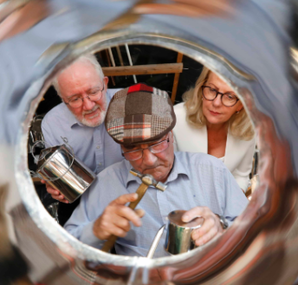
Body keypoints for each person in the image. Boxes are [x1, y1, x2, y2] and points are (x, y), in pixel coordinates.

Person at [65, 84, 249, 257]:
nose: (150, 160)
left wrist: (223, 228)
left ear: (171, 135)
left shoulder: (211, 170)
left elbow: (257, 232)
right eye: (133, 149)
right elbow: (63, 248)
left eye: (157, 143)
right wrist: (95, 230)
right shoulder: (107, 182)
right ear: (121, 147)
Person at [39, 54, 123, 205]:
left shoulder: (133, 103)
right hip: (85, 203)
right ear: (62, 98)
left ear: (105, 83)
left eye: (93, 92)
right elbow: (59, 176)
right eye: (75, 99)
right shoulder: (53, 123)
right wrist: (56, 186)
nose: (89, 106)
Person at [174, 67, 256, 191]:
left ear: (241, 105)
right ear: (202, 89)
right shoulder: (174, 119)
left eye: (230, 96)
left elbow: (240, 176)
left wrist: (230, 204)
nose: (216, 103)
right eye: (212, 90)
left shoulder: (248, 129)